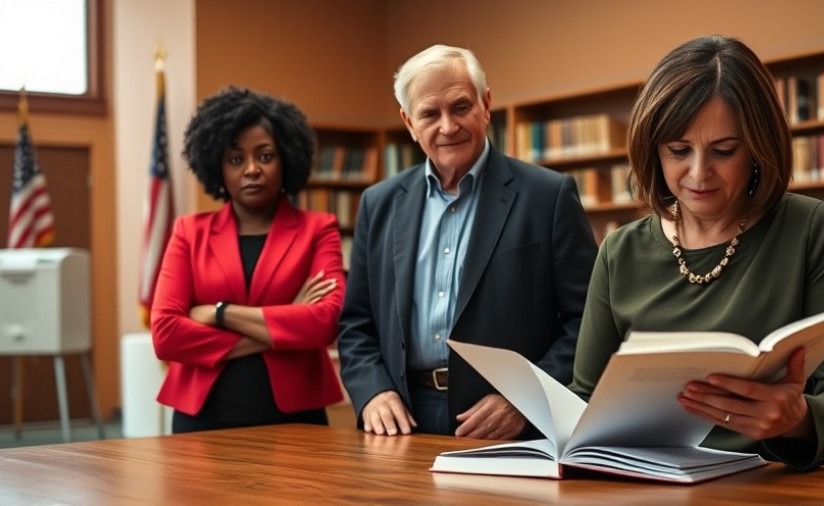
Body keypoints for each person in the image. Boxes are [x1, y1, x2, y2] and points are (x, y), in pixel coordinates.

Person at [570, 35, 824, 469]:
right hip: (643, 484)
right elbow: (585, 401)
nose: (699, 174)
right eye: (679, 151)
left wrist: (798, 418)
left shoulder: (811, 229)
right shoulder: (619, 251)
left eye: (724, 151)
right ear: (653, 151)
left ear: (758, 146)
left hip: (768, 490)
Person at [338, 44, 597, 439]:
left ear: (486, 104)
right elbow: (357, 323)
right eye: (429, 113)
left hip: (508, 424)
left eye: (460, 107)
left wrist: (525, 397)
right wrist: (373, 391)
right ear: (409, 122)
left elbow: (589, 321)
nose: (447, 126)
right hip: (403, 421)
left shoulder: (548, 196)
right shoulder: (379, 203)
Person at [151, 86, 346, 433]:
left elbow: (324, 323)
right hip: (201, 420)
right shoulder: (188, 232)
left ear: (287, 159)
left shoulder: (319, 229)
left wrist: (219, 313)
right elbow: (166, 334)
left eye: (266, 156)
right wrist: (287, 321)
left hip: (295, 421)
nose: (252, 169)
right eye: (236, 159)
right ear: (218, 166)